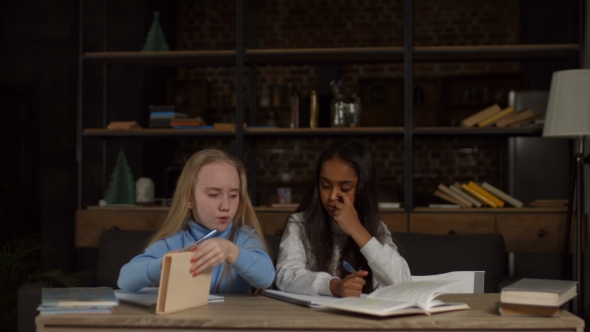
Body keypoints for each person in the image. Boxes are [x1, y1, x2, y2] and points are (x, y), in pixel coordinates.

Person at [118, 149, 275, 294]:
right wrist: (162, 266)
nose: (226, 206)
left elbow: (266, 277)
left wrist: (230, 251)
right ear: (189, 199)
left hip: (232, 322)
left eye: (233, 195)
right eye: (214, 194)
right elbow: (124, 280)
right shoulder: (174, 241)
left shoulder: (244, 237)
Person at [275, 138, 410, 297]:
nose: (332, 196)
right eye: (325, 186)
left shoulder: (376, 228)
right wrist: (333, 286)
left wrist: (357, 230)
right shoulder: (300, 224)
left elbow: (403, 282)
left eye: (345, 188)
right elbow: (286, 275)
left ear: (362, 189)